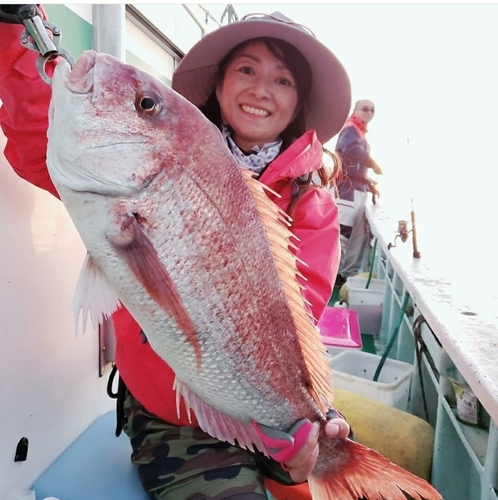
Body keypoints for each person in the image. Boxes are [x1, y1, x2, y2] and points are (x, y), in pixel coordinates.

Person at [0, 6, 352, 500]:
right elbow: (40, 136)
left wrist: (301, 423)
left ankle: (311, 459)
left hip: (266, 408)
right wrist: (15, 32)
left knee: (311, 466)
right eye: (246, 69)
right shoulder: (144, 162)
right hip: (175, 423)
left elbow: (298, 319)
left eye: (283, 80)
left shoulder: (311, 203)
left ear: (300, 103)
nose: (260, 89)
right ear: (220, 83)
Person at [334, 99, 383, 287]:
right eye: (365, 109)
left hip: (356, 190)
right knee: (343, 234)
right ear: (355, 110)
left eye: (372, 110)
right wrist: (373, 164)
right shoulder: (350, 130)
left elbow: (355, 163)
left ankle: (345, 275)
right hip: (347, 191)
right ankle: (334, 275)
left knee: (354, 235)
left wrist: (367, 181)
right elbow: (351, 151)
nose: (369, 112)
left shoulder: (359, 132)